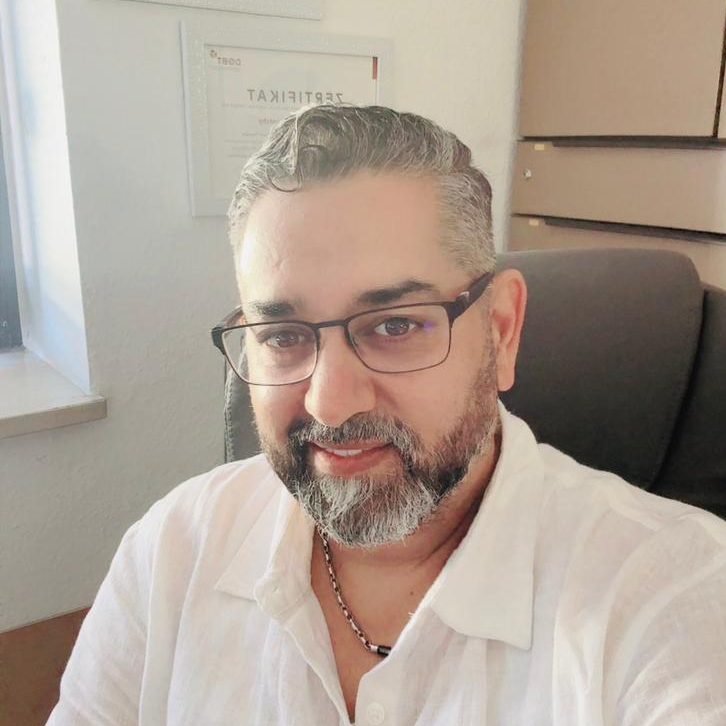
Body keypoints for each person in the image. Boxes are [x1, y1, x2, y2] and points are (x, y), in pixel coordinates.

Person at [49, 105, 726, 725]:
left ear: (501, 330)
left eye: (395, 326)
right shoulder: (173, 550)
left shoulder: (673, 594)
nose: (330, 402)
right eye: (282, 335)